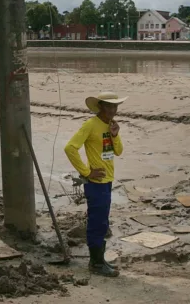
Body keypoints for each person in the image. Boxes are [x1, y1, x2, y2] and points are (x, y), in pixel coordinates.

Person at [64, 92, 127, 277]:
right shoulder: (90, 125)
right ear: (100, 107)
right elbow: (70, 148)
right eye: (109, 106)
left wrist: (115, 135)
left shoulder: (110, 125)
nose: (113, 110)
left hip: (107, 181)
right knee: (97, 222)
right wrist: (86, 172)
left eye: (115, 107)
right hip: (95, 182)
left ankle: (99, 260)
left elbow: (119, 151)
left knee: (102, 222)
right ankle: (96, 264)